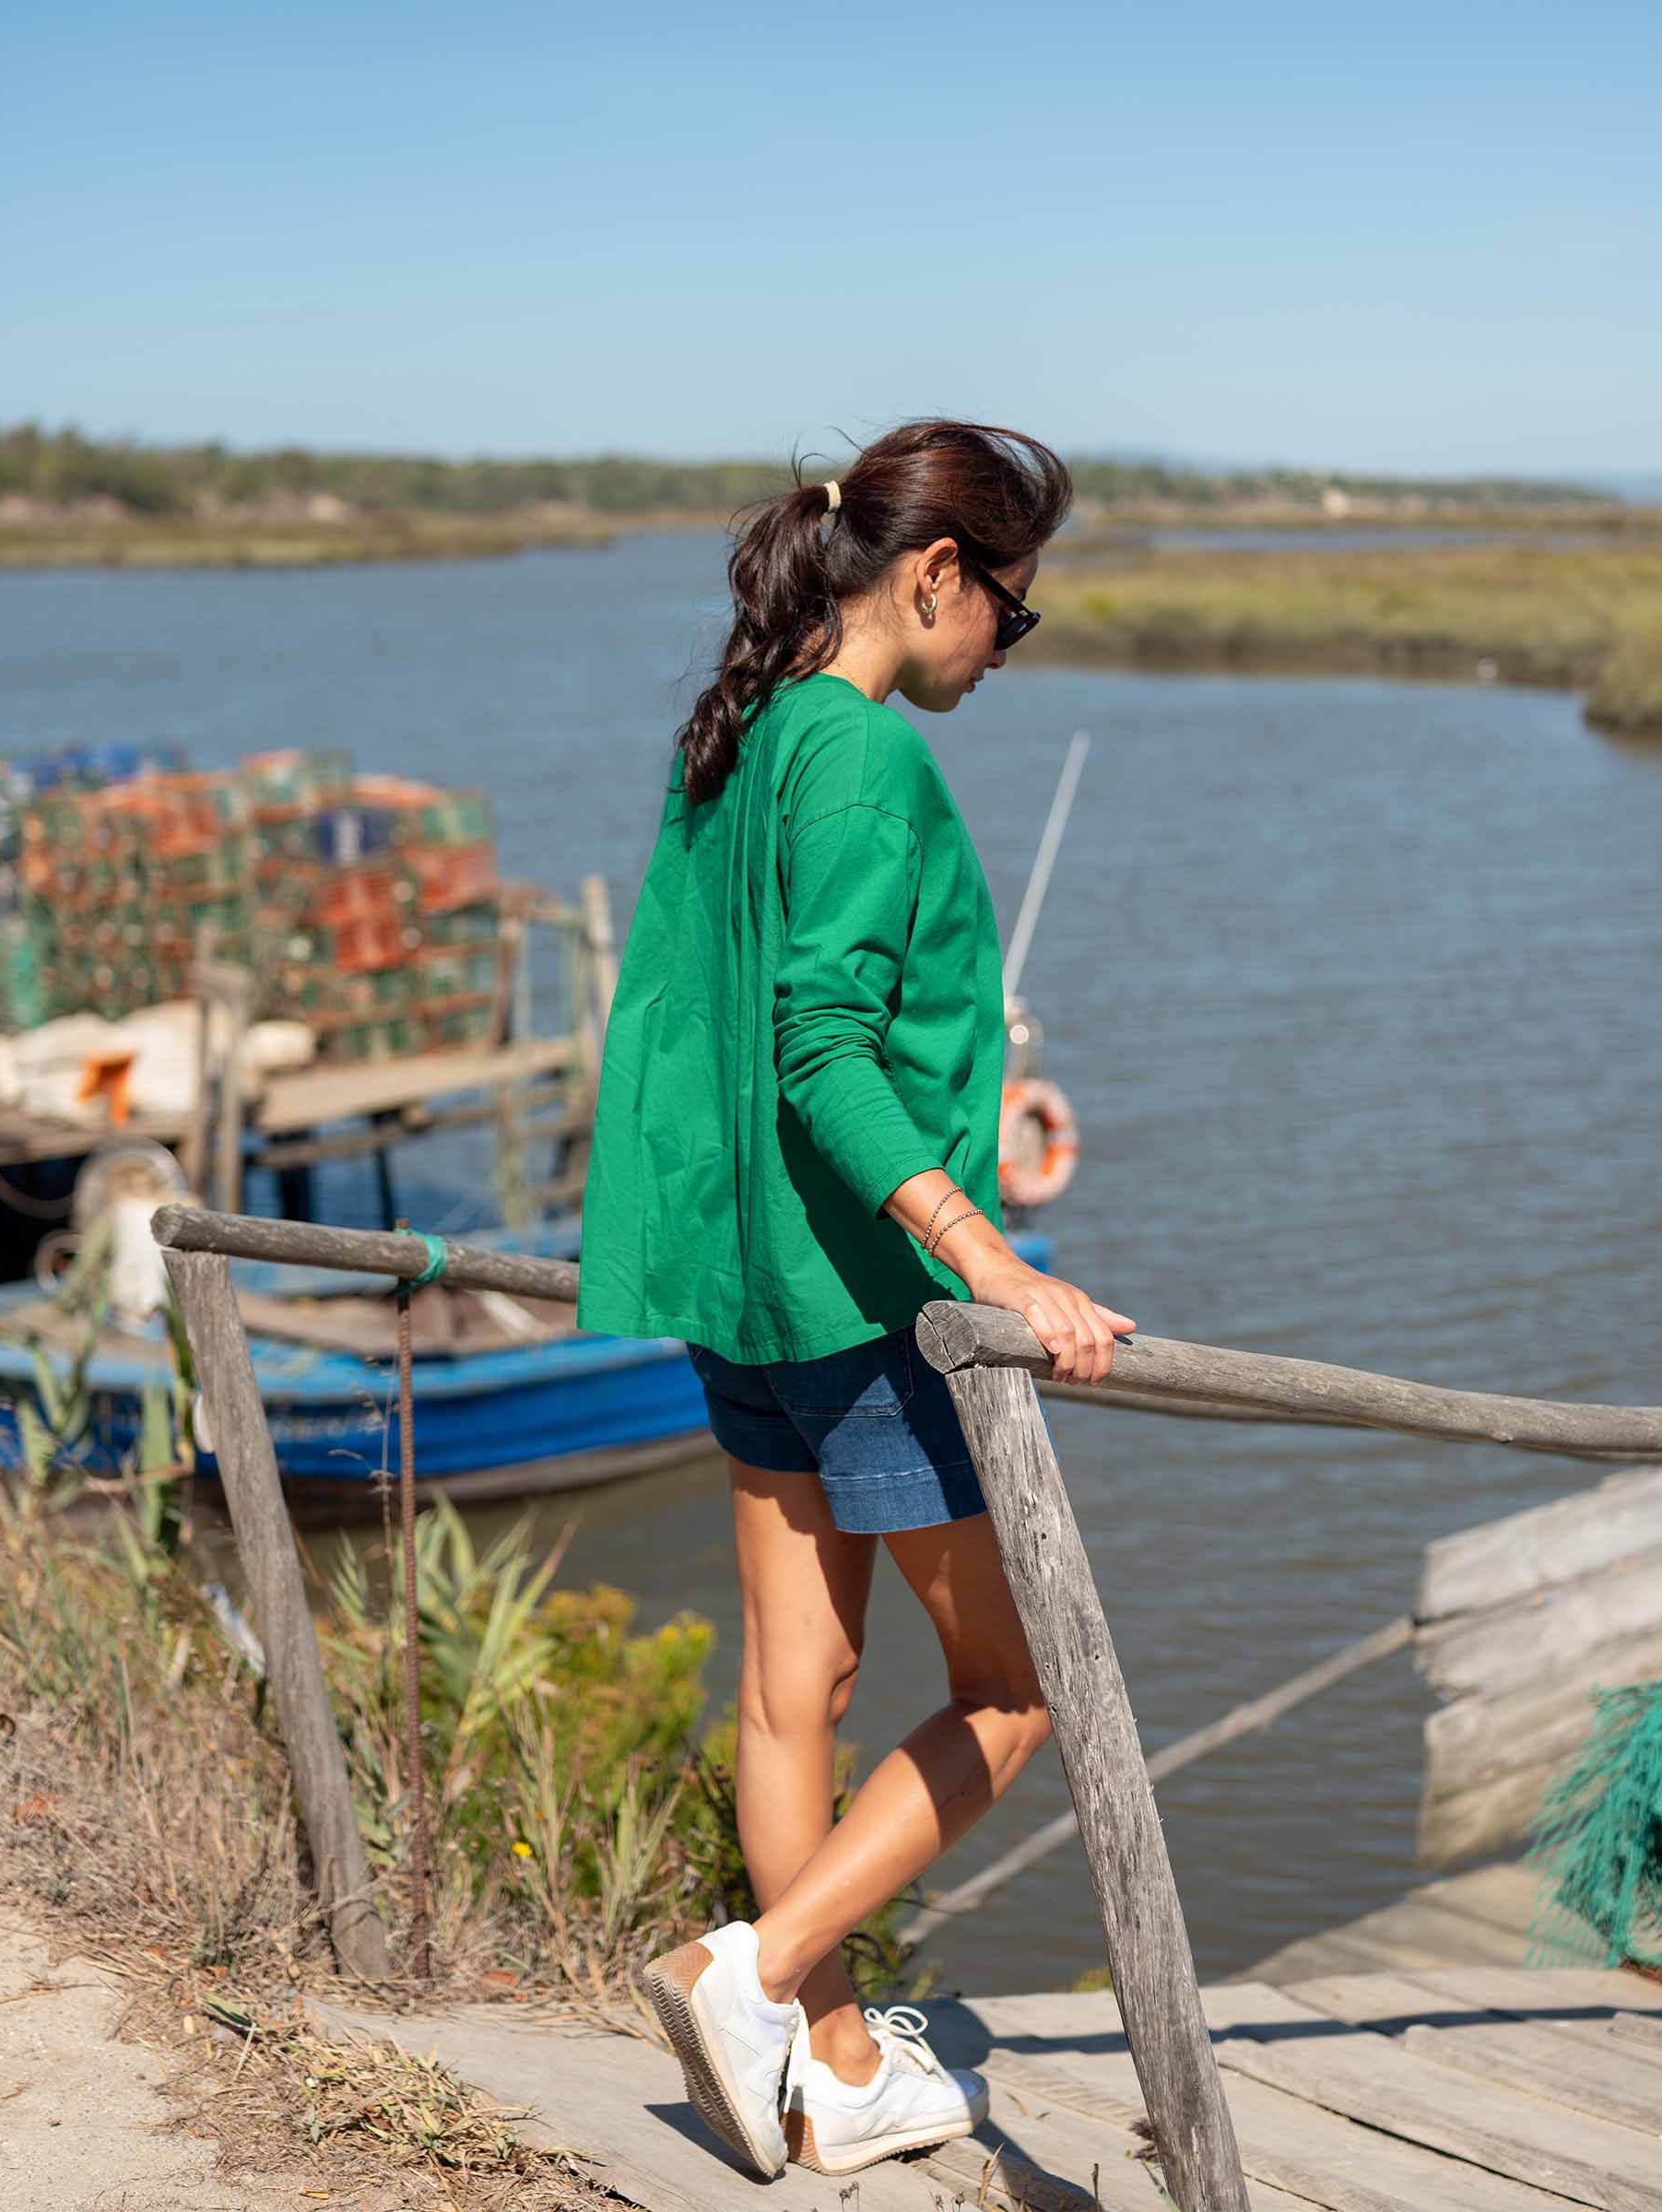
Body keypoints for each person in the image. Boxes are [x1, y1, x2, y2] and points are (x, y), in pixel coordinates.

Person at [576, 418, 1136, 2180]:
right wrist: (995, 1262)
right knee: (1014, 1689)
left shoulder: (730, 740)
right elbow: (824, 1046)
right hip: (866, 1300)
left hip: (739, 1285)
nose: (1004, 652)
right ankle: (752, 1972)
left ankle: (829, 2070)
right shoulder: (868, 760)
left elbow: (721, 1030)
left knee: (790, 1690)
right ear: (937, 576)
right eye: (1012, 617)